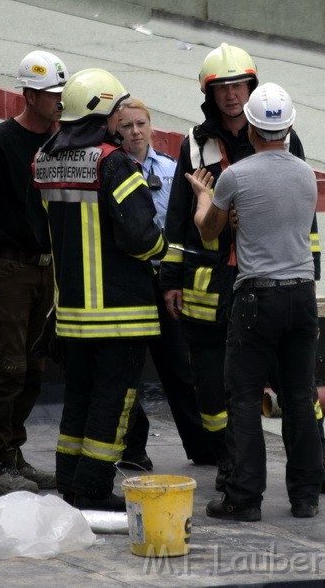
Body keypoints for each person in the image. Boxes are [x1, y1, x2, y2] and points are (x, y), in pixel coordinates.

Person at [159, 43, 325, 495]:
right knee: (216, 385)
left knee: (294, 385)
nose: (231, 96)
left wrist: (311, 269)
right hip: (214, 281)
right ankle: (231, 465)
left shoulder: (283, 135)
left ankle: (315, 462)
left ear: (253, 86)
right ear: (209, 93)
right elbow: (180, 216)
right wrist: (171, 278)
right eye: (221, 88)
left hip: (272, 278)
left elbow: (305, 215)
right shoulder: (195, 143)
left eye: (239, 85)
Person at [187, 83, 323, 520]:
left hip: (254, 299)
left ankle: (244, 498)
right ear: (289, 126)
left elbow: (209, 231)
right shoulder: (305, 174)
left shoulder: (235, 176)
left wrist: (204, 196)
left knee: (244, 399)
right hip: (302, 295)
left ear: (250, 126)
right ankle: (305, 497)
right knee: (300, 397)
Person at [32, 70, 166, 511]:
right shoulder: (113, 162)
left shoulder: (46, 159)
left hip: (70, 311)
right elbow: (141, 236)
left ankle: (69, 480)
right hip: (120, 311)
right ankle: (92, 488)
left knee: (80, 399)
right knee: (114, 400)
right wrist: (165, 247)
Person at [0, 50, 65, 495]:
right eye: (51, 95)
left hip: (45, 270)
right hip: (6, 268)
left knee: (34, 369)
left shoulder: (62, 140)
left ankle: (14, 455)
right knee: (8, 367)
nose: (59, 102)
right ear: (29, 95)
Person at [114, 99, 214, 470]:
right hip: (129, 280)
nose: (135, 131)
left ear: (151, 126)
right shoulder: (113, 169)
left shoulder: (173, 170)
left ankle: (204, 447)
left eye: (141, 124)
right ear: (116, 130)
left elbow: (185, 227)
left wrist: (180, 278)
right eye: (126, 126)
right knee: (127, 371)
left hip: (166, 278)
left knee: (180, 367)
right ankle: (132, 450)